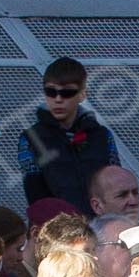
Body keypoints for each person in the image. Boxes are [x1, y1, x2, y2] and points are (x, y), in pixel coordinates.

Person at [21, 57, 120, 211]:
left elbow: (115, 184)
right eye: (50, 92)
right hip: (57, 229)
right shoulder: (31, 138)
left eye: (67, 92)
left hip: (101, 224)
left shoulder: (102, 135)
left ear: (82, 94)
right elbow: (35, 194)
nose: (58, 99)